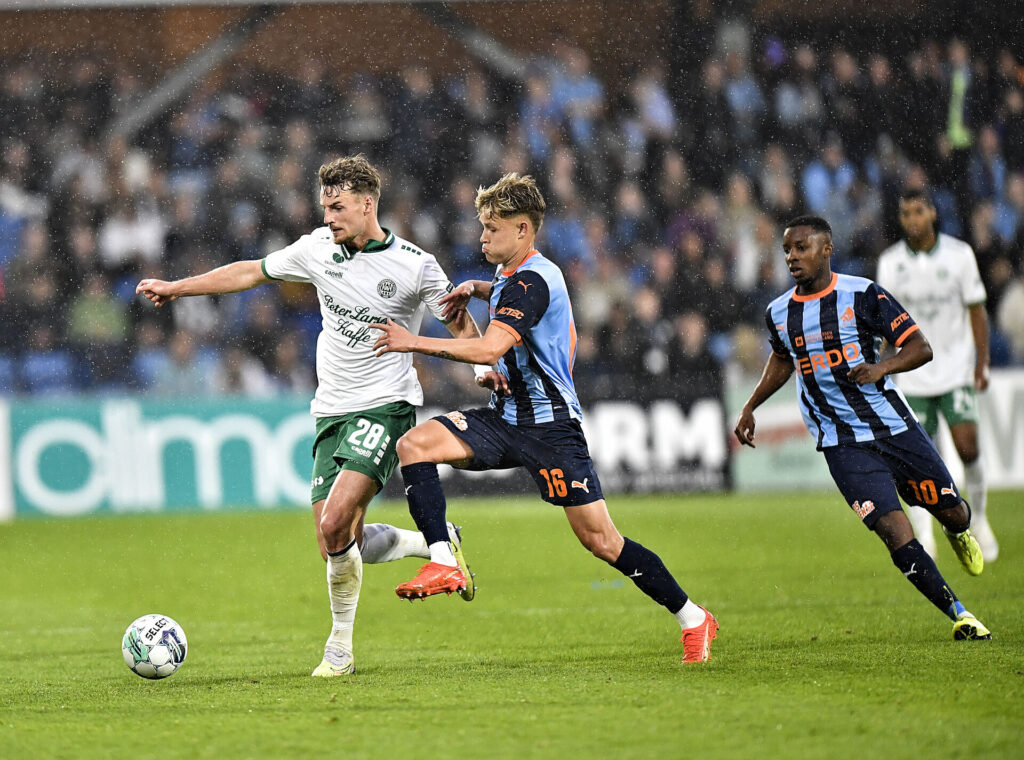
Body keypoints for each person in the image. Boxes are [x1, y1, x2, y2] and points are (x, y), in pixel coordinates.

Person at [137, 155, 494, 677]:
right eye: (325, 206)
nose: (329, 217)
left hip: (386, 406)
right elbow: (249, 273)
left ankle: (340, 648)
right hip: (331, 411)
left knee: (335, 519)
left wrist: (484, 369)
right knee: (335, 539)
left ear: (368, 204)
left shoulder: (415, 264)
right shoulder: (316, 248)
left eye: (338, 207)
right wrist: (176, 286)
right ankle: (433, 542)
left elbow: (458, 322)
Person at [370, 173, 719, 664]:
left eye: (492, 228)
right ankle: (444, 561)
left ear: (523, 231)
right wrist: (480, 288)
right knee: (415, 446)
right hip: (506, 417)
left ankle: (693, 617)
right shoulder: (516, 277)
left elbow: (491, 345)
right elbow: (511, 311)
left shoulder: (532, 280)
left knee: (602, 541)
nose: (482, 236)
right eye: (482, 227)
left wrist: (413, 341)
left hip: (552, 431)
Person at [734, 215, 990, 641]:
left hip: (892, 428)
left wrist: (881, 368)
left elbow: (919, 347)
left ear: (826, 249)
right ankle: (960, 613)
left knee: (952, 509)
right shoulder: (778, 313)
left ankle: (957, 529)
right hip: (840, 442)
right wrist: (751, 405)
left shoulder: (863, 294)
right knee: (893, 530)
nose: (792, 258)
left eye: (801, 248)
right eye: (787, 251)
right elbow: (783, 358)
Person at [876, 189, 997, 562]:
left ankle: (979, 520)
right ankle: (925, 534)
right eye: (905, 212)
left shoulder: (960, 256)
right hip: (912, 376)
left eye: (918, 211)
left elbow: (976, 311)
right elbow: (886, 323)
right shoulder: (890, 262)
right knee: (920, 461)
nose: (911, 219)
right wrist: (882, 365)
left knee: (967, 447)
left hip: (956, 368)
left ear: (932, 213)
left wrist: (981, 362)